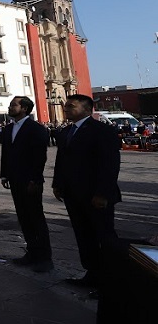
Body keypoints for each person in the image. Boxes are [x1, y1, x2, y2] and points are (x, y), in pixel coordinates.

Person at [52, 94, 121, 290]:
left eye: (71, 106)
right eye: (66, 105)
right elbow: (61, 161)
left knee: (104, 237)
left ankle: (111, 280)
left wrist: (102, 193)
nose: (65, 109)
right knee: (84, 236)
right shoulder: (66, 132)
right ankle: (92, 274)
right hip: (73, 194)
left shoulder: (102, 131)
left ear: (86, 109)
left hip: (95, 195)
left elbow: (109, 165)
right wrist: (58, 184)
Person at [0, 97, 53, 272]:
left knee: (36, 217)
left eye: (13, 105)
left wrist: (35, 179)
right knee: (23, 217)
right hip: (15, 179)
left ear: (23, 108)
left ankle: (44, 257)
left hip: (30, 180)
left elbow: (39, 156)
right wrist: (4, 174)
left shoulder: (35, 129)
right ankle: (31, 251)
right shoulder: (9, 129)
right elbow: (6, 154)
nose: (10, 107)